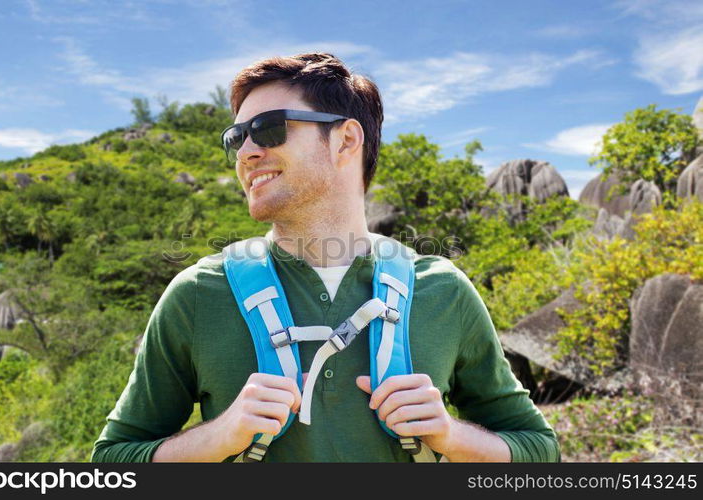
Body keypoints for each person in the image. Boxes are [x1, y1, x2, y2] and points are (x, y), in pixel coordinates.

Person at [91, 53, 560, 463]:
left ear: (346, 141)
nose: (247, 152)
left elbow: (539, 450)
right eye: (236, 138)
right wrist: (216, 438)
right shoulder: (198, 294)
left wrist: (452, 436)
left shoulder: (443, 289)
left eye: (268, 128)